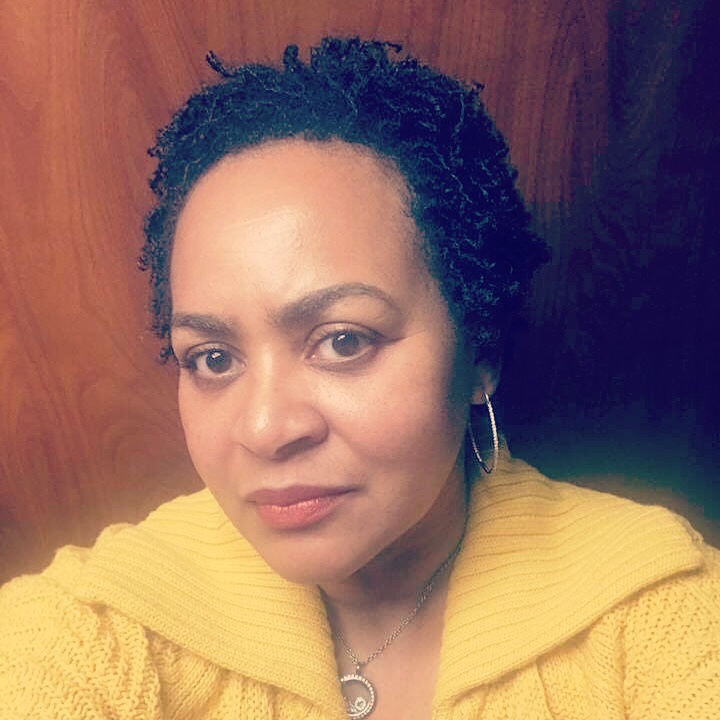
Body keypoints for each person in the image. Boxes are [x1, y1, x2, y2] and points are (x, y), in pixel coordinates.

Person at [1, 37, 718, 720]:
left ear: (480, 352)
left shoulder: (661, 618)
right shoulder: (86, 629)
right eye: (213, 358)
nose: (266, 429)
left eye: (343, 341)